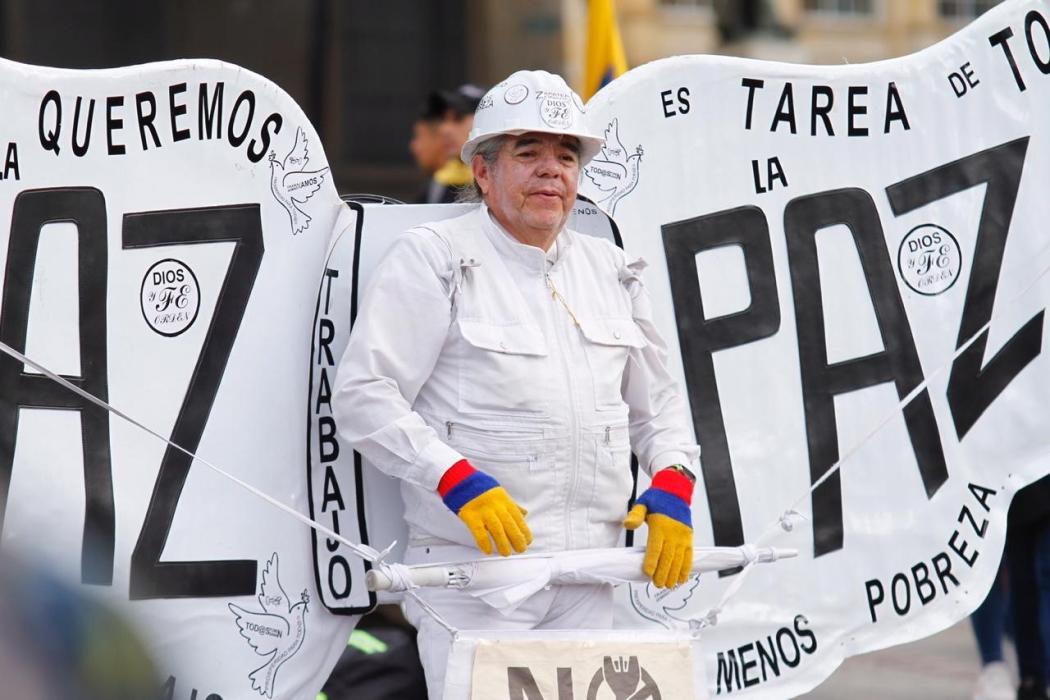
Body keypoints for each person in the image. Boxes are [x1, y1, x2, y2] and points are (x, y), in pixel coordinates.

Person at [334, 68, 700, 698]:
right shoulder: (434, 258)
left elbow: (659, 405)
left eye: (566, 155)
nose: (551, 170)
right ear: (482, 172)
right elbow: (364, 396)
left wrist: (672, 481)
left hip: (591, 573)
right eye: (528, 153)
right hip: (474, 581)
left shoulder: (612, 267)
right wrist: (454, 478)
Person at [415, 84, 485, 204]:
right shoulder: (438, 185)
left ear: (486, 121)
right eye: (445, 120)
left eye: (457, 119)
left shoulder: (507, 181)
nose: (444, 129)